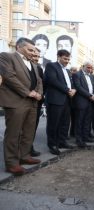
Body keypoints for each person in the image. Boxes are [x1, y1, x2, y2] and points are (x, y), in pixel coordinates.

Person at [0, 37, 43, 176]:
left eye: (34, 50)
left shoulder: (33, 64)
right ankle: (12, 164)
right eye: (30, 50)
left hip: (32, 102)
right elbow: (9, 77)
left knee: (28, 131)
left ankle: (24, 156)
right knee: (13, 133)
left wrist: (39, 94)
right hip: (15, 101)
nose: (33, 53)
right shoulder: (6, 57)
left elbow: (39, 81)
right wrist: (28, 92)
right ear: (19, 47)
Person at [44, 49, 76, 155]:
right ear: (58, 56)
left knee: (65, 123)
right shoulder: (51, 66)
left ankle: (62, 142)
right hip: (55, 100)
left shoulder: (67, 71)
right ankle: (52, 145)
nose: (67, 61)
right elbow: (53, 81)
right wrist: (68, 90)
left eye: (68, 59)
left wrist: (74, 89)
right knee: (53, 123)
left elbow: (70, 83)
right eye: (65, 58)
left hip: (67, 100)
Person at [72, 61, 94, 147]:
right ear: (83, 66)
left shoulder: (92, 76)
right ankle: (78, 140)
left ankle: (86, 137)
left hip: (90, 101)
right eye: (88, 67)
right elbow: (78, 87)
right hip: (81, 101)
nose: (90, 69)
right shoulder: (77, 74)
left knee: (87, 120)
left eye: (91, 68)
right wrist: (89, 95)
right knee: (79, 121)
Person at [30, 47, 44, 157]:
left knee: (33, 126)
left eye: (38, 57)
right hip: (23, 100)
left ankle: (29, 147)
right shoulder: (23, 65)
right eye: (35, 56)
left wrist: (40, 95)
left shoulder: (39, 68)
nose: (36, 58)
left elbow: (42, 83)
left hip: (37, 102)